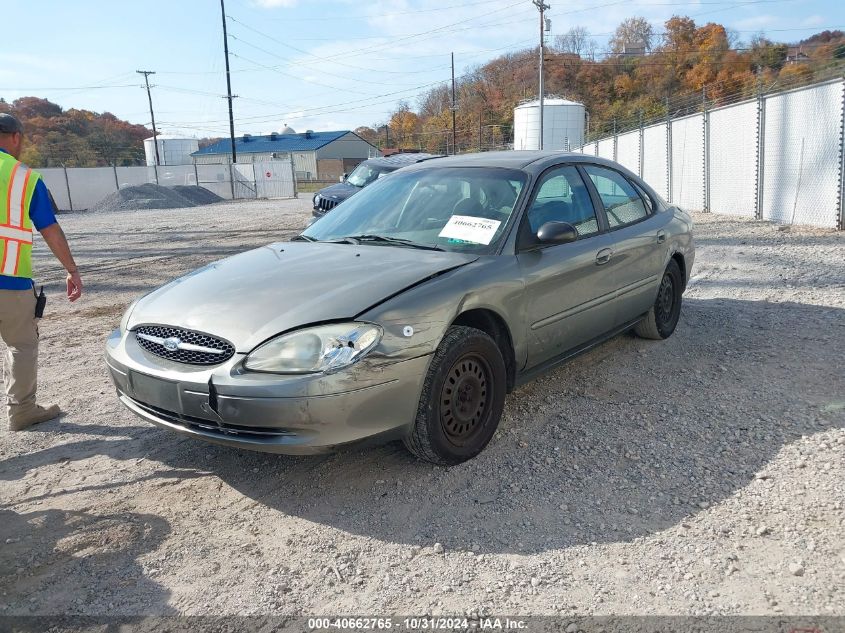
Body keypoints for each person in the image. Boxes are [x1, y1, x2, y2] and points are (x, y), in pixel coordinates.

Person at [0, 112, 82, 431]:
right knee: (20, 344)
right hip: (10, 280)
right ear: (17, 137)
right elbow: (49, 228)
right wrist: (72, 271)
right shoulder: (24, 178)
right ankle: (21, 411)